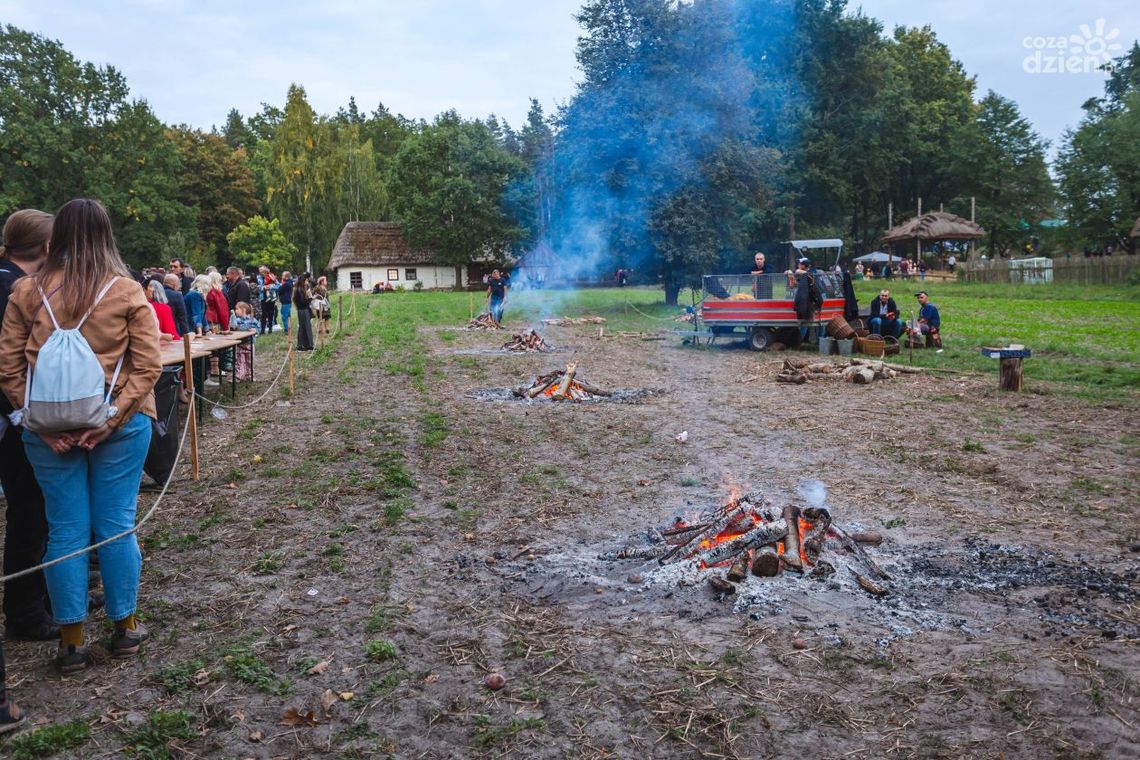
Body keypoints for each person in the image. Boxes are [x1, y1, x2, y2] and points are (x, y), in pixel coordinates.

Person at [0, 198, 162, 672]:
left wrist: (32, 420)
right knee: (116, 524)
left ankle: (71, 641)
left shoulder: (26, 292)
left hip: (48, 431)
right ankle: (125, 627)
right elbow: (147, 365)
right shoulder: (126, 291)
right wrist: (109, 420)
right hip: (119, 425)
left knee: (65, 529)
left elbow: (9, 366)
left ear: (58, 239)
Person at [0, 210, 57, 642]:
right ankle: (25, 611)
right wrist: (23, 414)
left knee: (36, 511)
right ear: (46, 247)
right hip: (14, 419)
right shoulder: (13, 289)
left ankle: (47, 596)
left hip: (16, 415)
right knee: (29, 512)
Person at [293, 272, 314, 351]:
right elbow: (302, 302)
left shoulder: (302, 289)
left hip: (304, 309)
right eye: (306, 281)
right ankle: (301, 345)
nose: (307, 282)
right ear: (303, 281)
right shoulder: (299, 290)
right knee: (303, 327)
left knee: (306, 327)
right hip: (302, 310)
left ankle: (308, 345)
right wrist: (310, 298)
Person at [257, 266, 278, 335]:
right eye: (260, 271)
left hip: (271, 298)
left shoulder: (272, 276)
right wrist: (263, 287)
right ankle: (262, 330)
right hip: (263, 298)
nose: (261, 273)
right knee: (263, 314)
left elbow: (278, 285)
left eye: (262, 272)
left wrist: (271, 286)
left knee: (271, 313)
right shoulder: (258, 278)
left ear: (266, 271)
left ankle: (270, 329)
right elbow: (257, 287)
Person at [277, 271, 294, 336]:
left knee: (284, 316)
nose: (282, 277)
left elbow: (280, 290)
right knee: (288, 316)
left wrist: (281, 284)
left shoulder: (286, 284)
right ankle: (289, 328)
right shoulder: (289, 282)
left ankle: (287, 330)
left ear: (286, 277)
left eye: (283, 276)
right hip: (287, 301)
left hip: (285, 302)